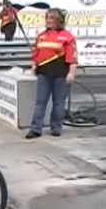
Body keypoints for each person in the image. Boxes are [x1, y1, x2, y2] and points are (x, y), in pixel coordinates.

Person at [26, 8, 78, 139]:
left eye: (52, 18)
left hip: (61, 74)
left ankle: (56, 127)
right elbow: (36, 54)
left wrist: (71, 73)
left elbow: (72, 57)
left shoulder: (67, 37)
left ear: (59, 20)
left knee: (59, 103)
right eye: (47, 18)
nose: (49, 20)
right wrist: (33, 68)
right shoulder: (41, 36)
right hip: (44, 73)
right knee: (40, 102)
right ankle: (35, 129)